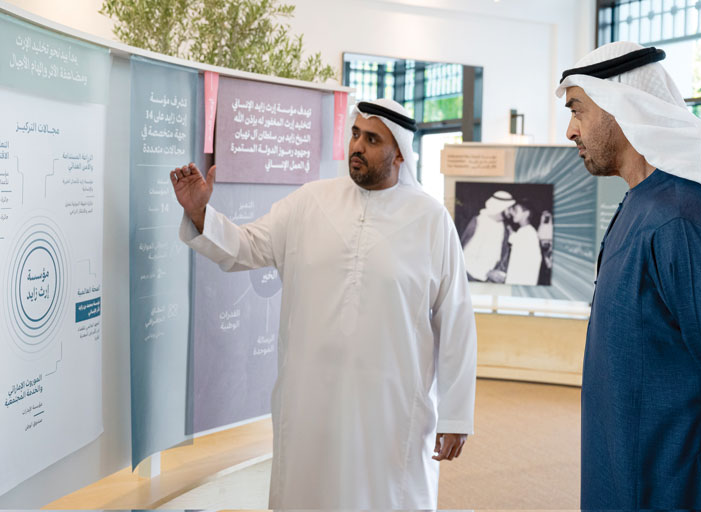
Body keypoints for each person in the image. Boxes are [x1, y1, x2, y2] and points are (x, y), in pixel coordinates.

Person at [169, 98, 477, 509]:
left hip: (391, 406)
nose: (358, 146)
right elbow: (246, 246)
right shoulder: (309, 202)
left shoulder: (430, 220)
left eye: (372, 139)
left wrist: (455, 415)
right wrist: (200, 213)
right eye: (355, 134)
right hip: (311, 399)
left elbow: (456, 319)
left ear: (400, 153)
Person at [557, 41, 701, 509]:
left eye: (578, 110)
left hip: (681, 476)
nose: (570, 130)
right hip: (632, 457)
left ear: (621, 107)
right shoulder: (642, 204)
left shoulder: (677, 218)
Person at [460, 190, 515, 281]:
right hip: (473, 278)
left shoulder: (504, 226)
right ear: (501, 207)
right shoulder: (479, 223)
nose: (512, 212)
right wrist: (487, 273)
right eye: (510, 208)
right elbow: (465, 258)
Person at [503, 200, 542, 286]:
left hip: (521, 282)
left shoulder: (528, 233)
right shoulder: (525, 231)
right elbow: (513, 238)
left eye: (516, 210)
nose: (512, 213)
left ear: (526, 214)